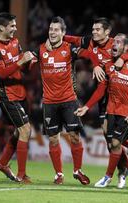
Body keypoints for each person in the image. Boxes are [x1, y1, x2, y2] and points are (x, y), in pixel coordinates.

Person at [62, 17, 128, 184]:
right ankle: (127, 166)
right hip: (103, 92)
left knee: (111, 138)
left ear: (107, 32)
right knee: (108, 137)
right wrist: (59, 36)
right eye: (93, 29)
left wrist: (123, 58)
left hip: (118, 94)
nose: (94, 32)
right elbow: (75, 40)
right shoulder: (91, 42)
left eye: (98, 29)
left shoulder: (116, 43)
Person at [75, 33, 128, 188]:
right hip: (111, 110)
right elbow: (101, 90)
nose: (114, 44)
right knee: (112, 144)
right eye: (114, 42)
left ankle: (108, 177)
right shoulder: (108, 65)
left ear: (126, 48)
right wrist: (87, 107)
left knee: (115, 143)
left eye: (119, 43)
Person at [30, 16, 90, 185]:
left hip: (69, 100)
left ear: (63, 33)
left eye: (56, 29)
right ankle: (58, 174)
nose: (52, 32)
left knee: (74, 137)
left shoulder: (70, 49)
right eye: (51, 29)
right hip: (49, 102)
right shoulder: (41, 49)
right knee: (53, 139)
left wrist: (98, 65)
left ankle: (77, 170)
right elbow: (27, 64)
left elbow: (89, 53)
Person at [0, 12, 34, 183]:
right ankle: (22, 175)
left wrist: (29, 62)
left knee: (19, 131)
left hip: (21, 93)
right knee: (25, 130)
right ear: (1, 27)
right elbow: (3, 73)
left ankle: (3, 163)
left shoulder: (15, 42)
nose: (15, 28)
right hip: (8, 96)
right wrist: (21, 61)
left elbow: (24, 68)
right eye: (12, 26)